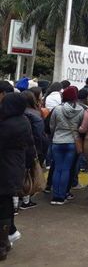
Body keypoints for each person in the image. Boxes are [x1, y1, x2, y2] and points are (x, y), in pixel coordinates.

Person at [0, 93, 34, 262]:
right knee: (6, 204)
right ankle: (5, 241)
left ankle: (3, 243)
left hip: (4, 167)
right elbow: (31, 146)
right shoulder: (23, 121)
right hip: (14, 168)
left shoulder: (6, 124)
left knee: (3, 205)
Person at [49, 86, 84, 205]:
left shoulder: (57, 109)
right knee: (66, 169)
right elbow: (81, 127)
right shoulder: (81, 110)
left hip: (57, 141)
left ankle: (55, 196)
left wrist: (55, 135)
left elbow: (52, 125)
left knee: (57, 169)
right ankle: (62, 196)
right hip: (72, 141)